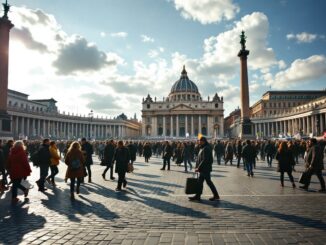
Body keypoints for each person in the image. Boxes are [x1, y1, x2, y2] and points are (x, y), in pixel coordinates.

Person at [189, 137, 219, 202]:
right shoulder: (203, 147)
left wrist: (198, 167)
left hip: (205, 169)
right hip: (203, 169)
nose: (198, 142)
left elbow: (204, 159)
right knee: (200, 183)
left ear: (203, 141)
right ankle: (198, 196)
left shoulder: (206, 148)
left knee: (209, 182)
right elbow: (200, 158)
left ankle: (216, 195)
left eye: (199, 141)